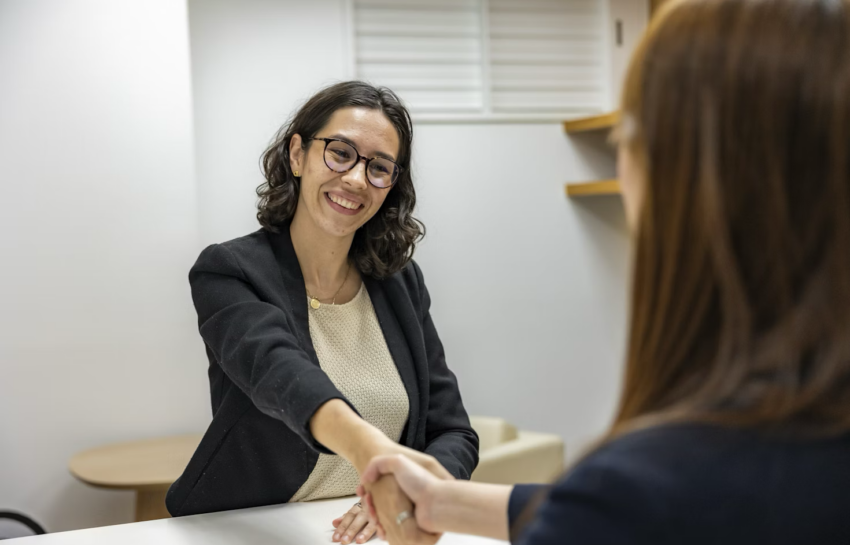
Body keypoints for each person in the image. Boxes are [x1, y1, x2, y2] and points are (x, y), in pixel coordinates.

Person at [358, 0, 850, 543]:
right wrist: (444, 501)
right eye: (340, 154)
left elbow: (630, 506)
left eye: (627, 139)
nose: (357, 180)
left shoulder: (651, 483)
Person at [165, 81, 479, 545]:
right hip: (247, 530)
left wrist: (410, 494)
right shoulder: (229, 270)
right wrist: (373, 453)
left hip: (368, 531)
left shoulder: (399, 283)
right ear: (297, 155)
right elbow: (281, 375)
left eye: (378, 168)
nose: (355, 179)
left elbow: (453, 432)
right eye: (340, 153)